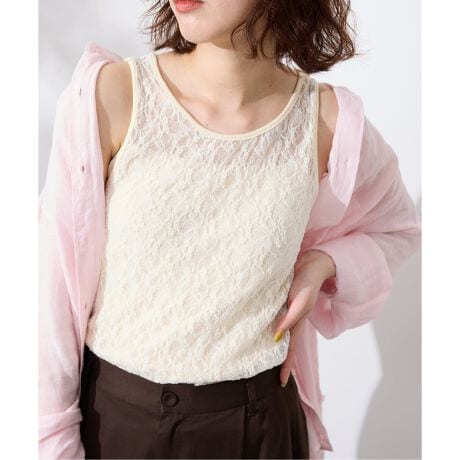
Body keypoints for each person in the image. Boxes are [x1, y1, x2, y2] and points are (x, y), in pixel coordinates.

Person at [38, 1, 422, 459]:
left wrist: (322, 264)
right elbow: (51, 298)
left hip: (264, 429)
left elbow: (397, 229)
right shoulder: (113, 96)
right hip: (120, 428)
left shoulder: (327, 122)